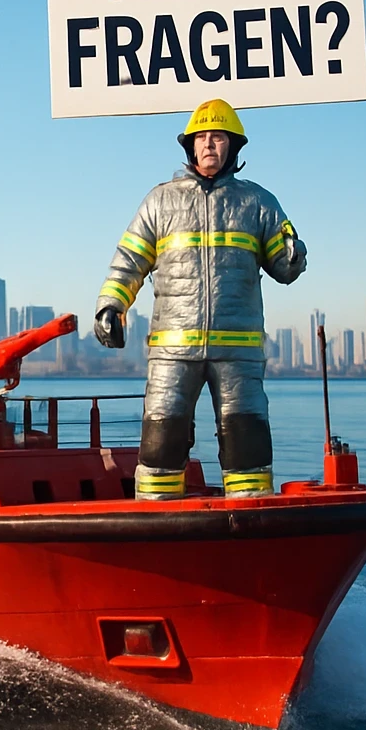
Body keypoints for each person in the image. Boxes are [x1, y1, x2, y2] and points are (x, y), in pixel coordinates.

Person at [93, 99, 306, 500]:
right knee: (161, 439)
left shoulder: (258, 204)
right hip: (173, 348)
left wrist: (293, 253)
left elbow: (285, 268)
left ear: (233, 147)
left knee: (247, 441)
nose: (209, 145)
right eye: (202, 138)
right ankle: (156, 523)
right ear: (190, 147)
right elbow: (129, 261)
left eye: (218, 137)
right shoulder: (160, 202)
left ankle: (252, 524)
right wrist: (111, 305)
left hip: (237, 349)